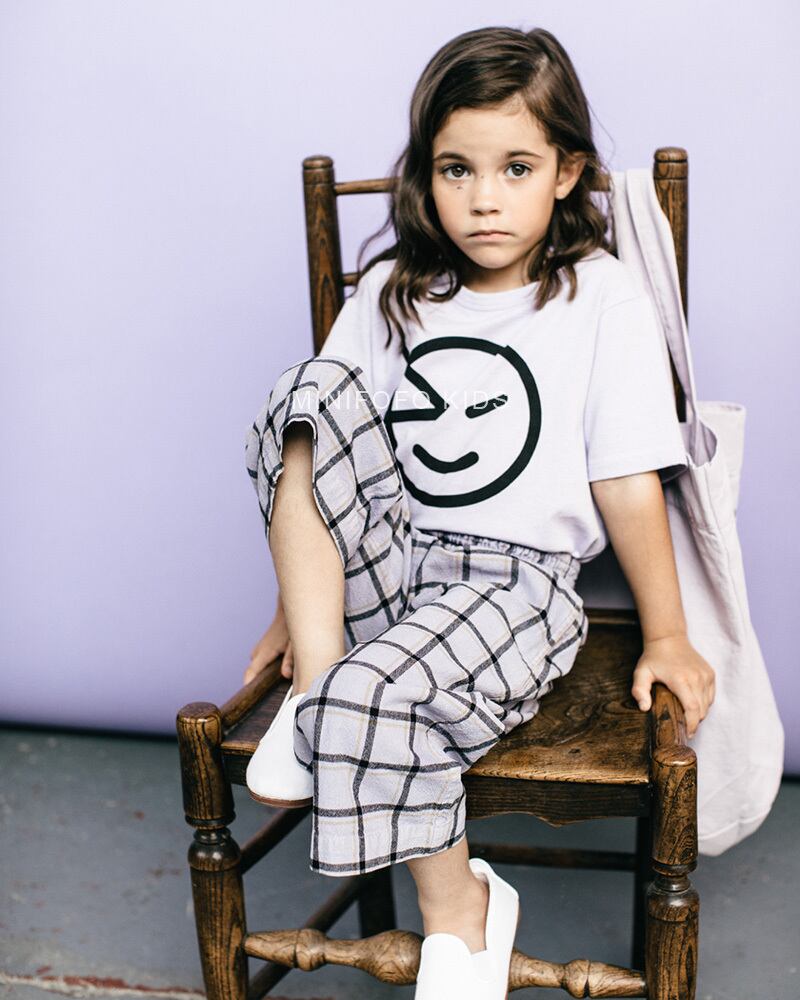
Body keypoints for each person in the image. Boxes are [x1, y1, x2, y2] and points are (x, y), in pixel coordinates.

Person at [241, 25, 716, 1000]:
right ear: (427, 173)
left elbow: (626, 479)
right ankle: (319, 685)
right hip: (392, 569)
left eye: (516, 168)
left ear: (565, 172)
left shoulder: (600, 298)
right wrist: (293, 614)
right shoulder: (393, 292)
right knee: (305, 391)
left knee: (376, 699)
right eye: (457, 169)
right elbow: (322, 459)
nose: (484, 198)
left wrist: (667, 633)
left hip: (512, 584)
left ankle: (462, 913)